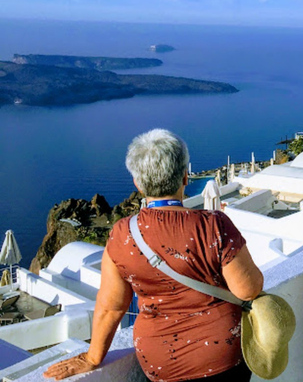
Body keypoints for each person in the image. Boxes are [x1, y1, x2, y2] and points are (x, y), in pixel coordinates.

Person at [44, 129, 264, 382]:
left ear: (138, 184)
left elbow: (112, 306)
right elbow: (247, 290)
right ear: (184, 177)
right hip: (222, 357)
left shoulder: (121, 235)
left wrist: (93, 357)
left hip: (161, 362)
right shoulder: (214, 225)